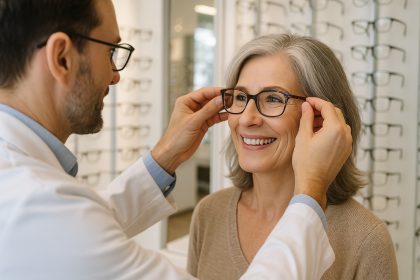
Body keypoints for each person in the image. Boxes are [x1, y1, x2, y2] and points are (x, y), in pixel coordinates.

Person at [0, 1, 352, 279]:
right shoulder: (40, 203)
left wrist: (164, 157)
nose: (115, 75)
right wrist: (310, 193)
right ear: (61, 57)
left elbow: (79, 229)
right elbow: (72, 230)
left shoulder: (363, 238)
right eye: (111, 52)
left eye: (273, 98)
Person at [187, 34, 399, 280]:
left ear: (322, 118)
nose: (246, 119)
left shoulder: (365, 238)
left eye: (274, 99)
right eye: (241, 97)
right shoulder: (209, 212)